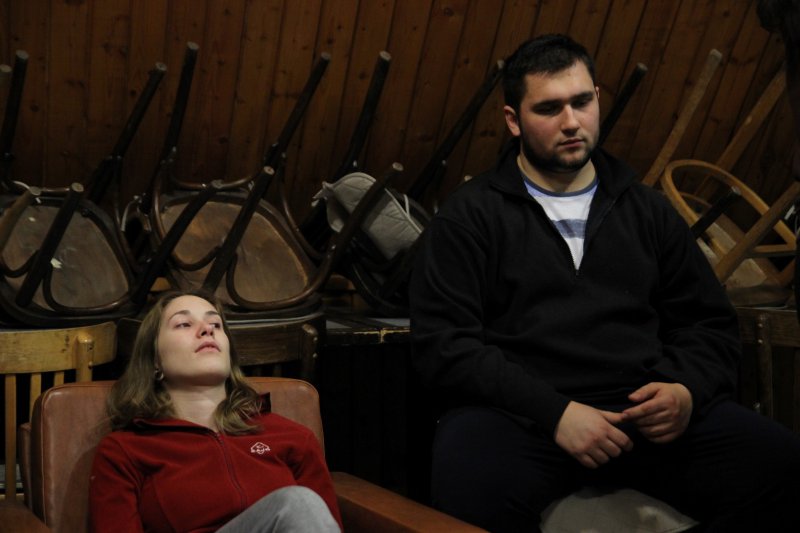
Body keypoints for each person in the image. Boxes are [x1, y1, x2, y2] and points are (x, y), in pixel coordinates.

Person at [409, 33, 800, 532]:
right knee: (466, 478)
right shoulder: (470, 217)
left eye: (582, 102)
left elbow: (708, 325)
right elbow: (446, 346)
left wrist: (685, 391)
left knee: (783, 466)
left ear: (597, 98)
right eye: (549, 108)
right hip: (524, 418)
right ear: (513, 120)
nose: (571, 122)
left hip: (641, 416)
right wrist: (555, 413)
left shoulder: (647, 210)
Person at [89, 290, 342, 533]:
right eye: (183, 324)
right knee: (297, 503)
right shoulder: (125, 450)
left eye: (216, 325)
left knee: (300, 504)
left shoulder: (292, 437)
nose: (207, 329)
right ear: (154, 360)